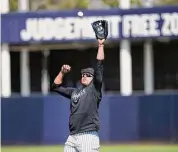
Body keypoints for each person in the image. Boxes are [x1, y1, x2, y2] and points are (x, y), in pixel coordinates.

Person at [51, 39, 105, 152]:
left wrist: (100, 45)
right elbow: (55, 86)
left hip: (88, 136)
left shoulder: (94, 89)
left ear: (93, 79)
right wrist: (62, 72)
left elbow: (99, 65)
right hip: (72, 136)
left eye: (88, 75)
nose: (85, 76)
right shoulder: (74, 92)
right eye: (83, 74)